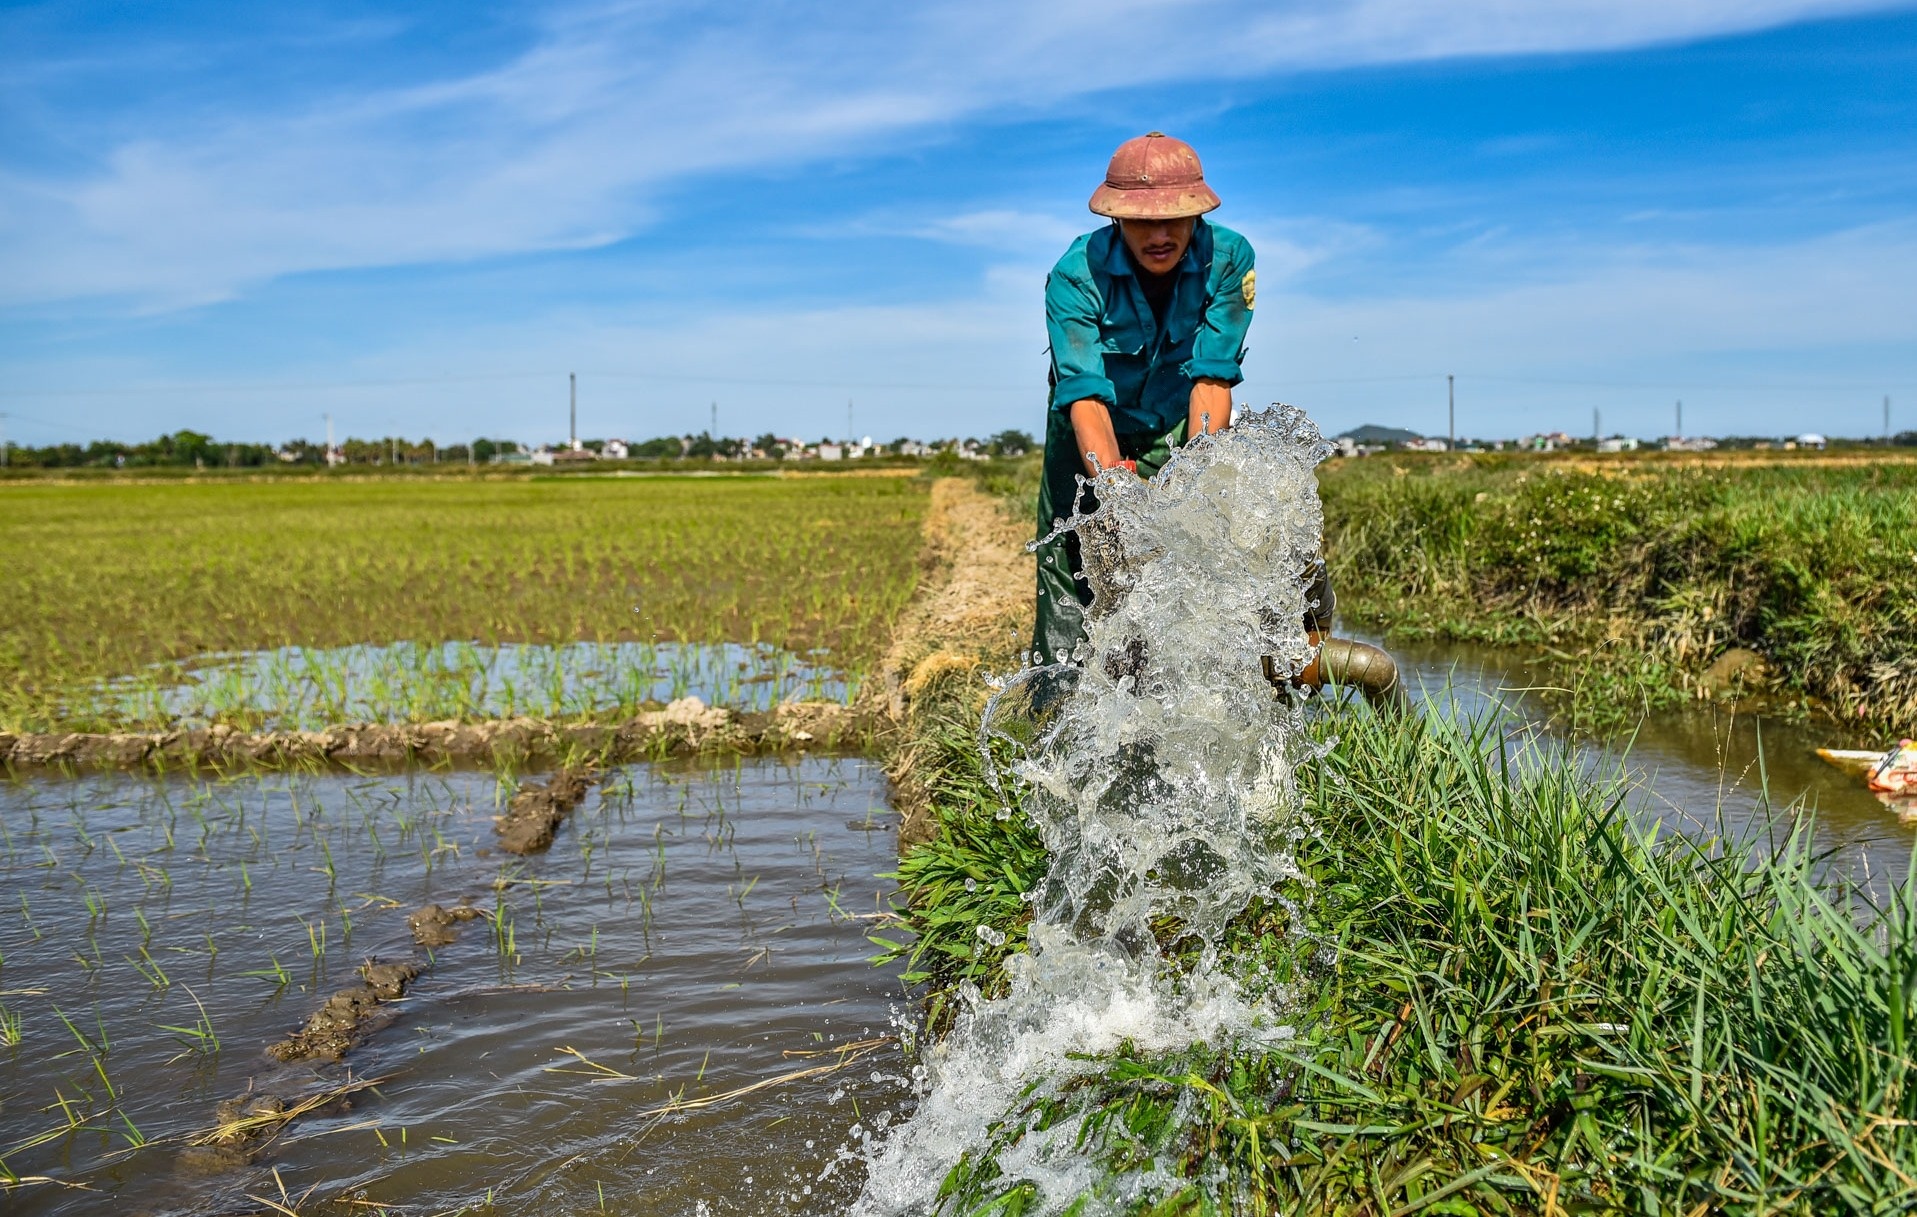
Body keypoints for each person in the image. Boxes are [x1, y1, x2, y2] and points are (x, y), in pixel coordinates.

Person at [1033, 131, 1335, 667]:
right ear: (1115, 217)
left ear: (1198, 212)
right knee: (1074, 567)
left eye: (1174, 217)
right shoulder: (1074, 277)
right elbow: (1085, 400)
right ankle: (1058, 702)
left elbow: (1212, 381)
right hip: (1088, 428)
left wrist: (1197, 485)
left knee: (1200, 552)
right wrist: (1115, 493)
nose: (1160, 234)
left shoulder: (1229, 260)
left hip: (1177, 424)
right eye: (1143, 221)